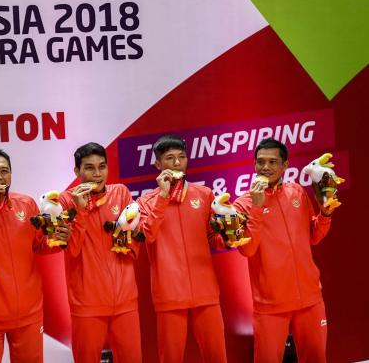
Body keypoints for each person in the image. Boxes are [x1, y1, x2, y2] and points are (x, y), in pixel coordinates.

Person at [0, 148, 69, 363]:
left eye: (4, 171)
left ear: (11, 175)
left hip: (29, 313)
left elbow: (39, 245)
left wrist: (59, 240)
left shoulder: (26, 204)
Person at [234, 138, 334, 362]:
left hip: (310, 299)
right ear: (253, 164)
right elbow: (247, 250)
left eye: (272, 161)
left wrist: (325, 213)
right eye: (260, 162)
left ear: (285, 165)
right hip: (270, 305)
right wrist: (257, 208)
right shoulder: (242, 204)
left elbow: (314, 237)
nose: (265, 167)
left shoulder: (297, 192)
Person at [136, 135, 227, 363]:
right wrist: (163, 197)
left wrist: (230, 236)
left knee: (217, 357)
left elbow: (214, 239)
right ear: (158, 164)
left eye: (181, 157)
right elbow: (148, 235)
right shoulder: (146, 202)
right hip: (169, 293)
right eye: (170, 158)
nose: (177, 163)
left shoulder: (204, 195)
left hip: (206, 290)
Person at [60, 142, 142, 362]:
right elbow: (72, 248)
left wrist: (128, 238)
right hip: (87, 304)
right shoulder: (65, 201)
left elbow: (133, 244)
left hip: (125, 300)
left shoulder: (121, 193)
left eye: (101, 167)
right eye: (89, 168)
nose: (97, 174)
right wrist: (81, 210)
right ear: (77, 171)